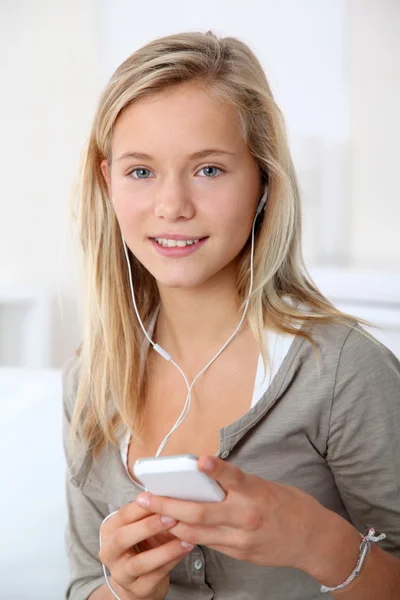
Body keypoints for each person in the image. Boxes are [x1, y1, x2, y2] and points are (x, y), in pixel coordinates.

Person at [62, 30, 400, 600]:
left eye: (209, 170)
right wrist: (121, 590)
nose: (172, 207)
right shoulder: (91, 380)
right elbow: (80, 585)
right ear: (108, 183)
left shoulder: (343, 371)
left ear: (263, 182)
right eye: (140, 171)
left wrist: (319, 542)